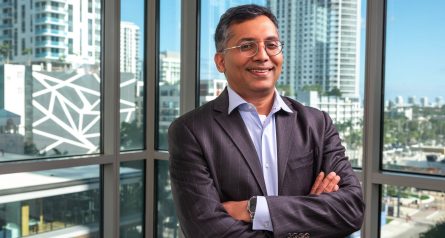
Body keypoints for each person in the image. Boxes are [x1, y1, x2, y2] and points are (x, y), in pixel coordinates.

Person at [168, 4, 364, 238]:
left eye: (271, 45)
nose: (262, 55)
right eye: (247, 46)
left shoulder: (317, 123)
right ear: (220, 62)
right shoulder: (191, 131)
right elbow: (207, 230)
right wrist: (311, 212)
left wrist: (256, 209)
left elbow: (351, 209)